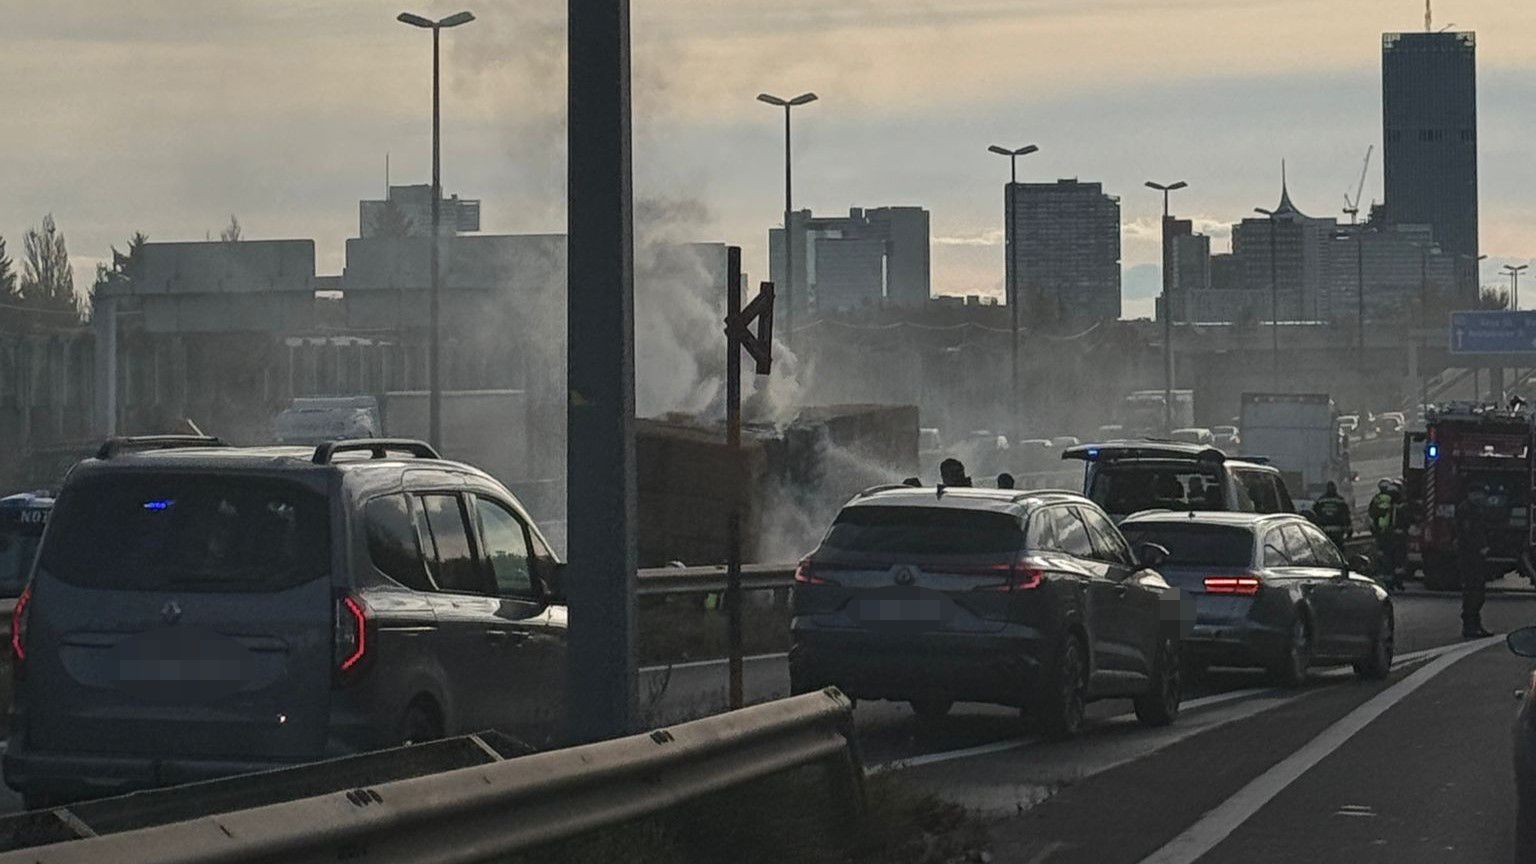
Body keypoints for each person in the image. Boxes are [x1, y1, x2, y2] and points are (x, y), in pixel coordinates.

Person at [1455, 484, 1494, 638]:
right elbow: (1469, 533)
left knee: (1477, 592)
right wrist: (1480, 547)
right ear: (1471, 494)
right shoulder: (1466, 510)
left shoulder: (1475, 509)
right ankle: (1470, 626)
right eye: (1479, 494)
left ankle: (1475, 625)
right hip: (1470, 557)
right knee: (1473, 591)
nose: (1481, 497)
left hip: (1474, 556)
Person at [1368, 479, 1398, 583]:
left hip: (1380, 531)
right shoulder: (1393, 499)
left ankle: (1382, 574)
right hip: (1390, 531)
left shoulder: (1376, 499)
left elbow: (1371, 514)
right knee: (1390, 554)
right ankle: (1390, 575)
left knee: (1381, 553)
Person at [1312, 481, 1352, 552]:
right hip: (1337, 532)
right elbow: (1346, 515)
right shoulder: (1340, 501)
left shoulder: (1321, 500)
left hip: (1324, 532)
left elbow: (1314, 514)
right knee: (1338, 551)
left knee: (1325, 551)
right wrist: (1349, 530)